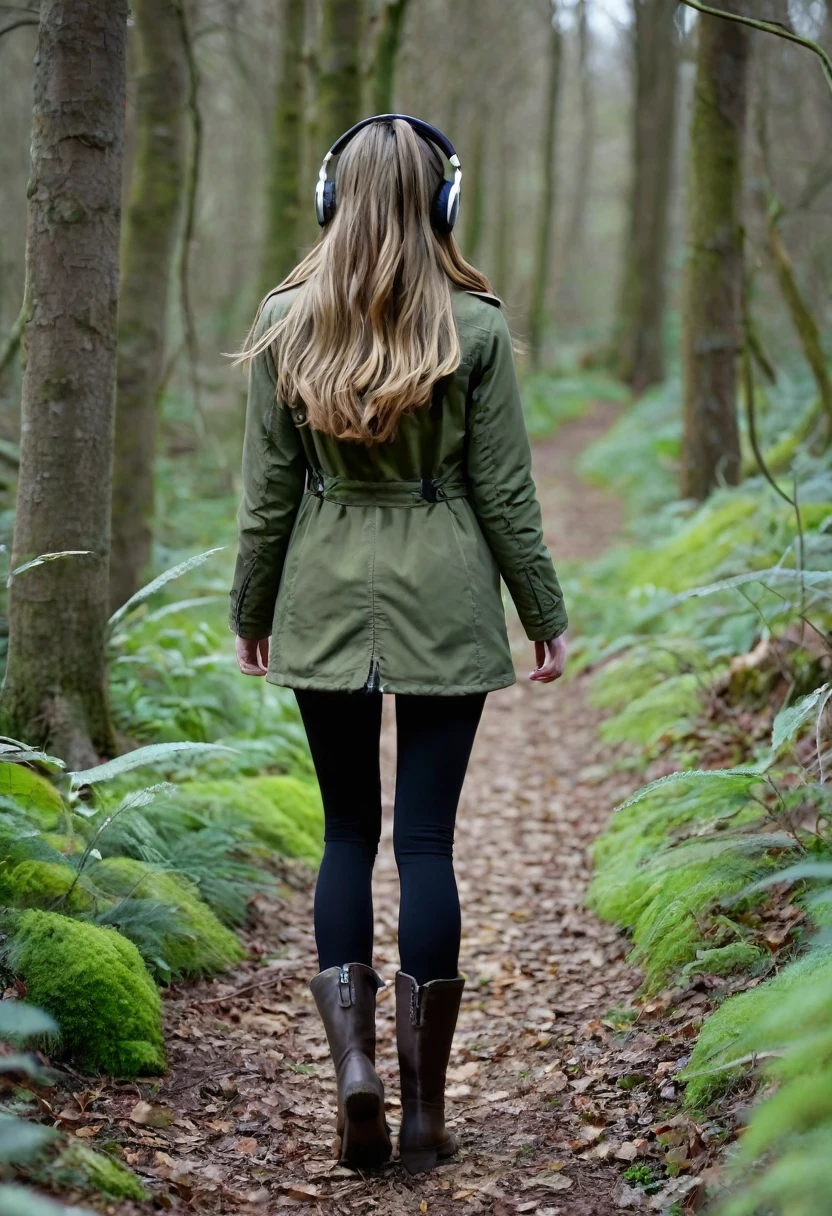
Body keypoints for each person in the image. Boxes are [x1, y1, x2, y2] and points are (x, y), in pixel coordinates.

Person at [230, 115, 567, 1175]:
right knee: (423, 844)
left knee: (344, 837)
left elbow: (267, 495)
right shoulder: (474, 327)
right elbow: (503, 490)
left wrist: (252, 607)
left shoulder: (287, 320)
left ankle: (352, 1076)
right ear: (441, 203)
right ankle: (422, 1112)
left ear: (333, 199)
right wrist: (541, 610)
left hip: (325, 591)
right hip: (448, 591)